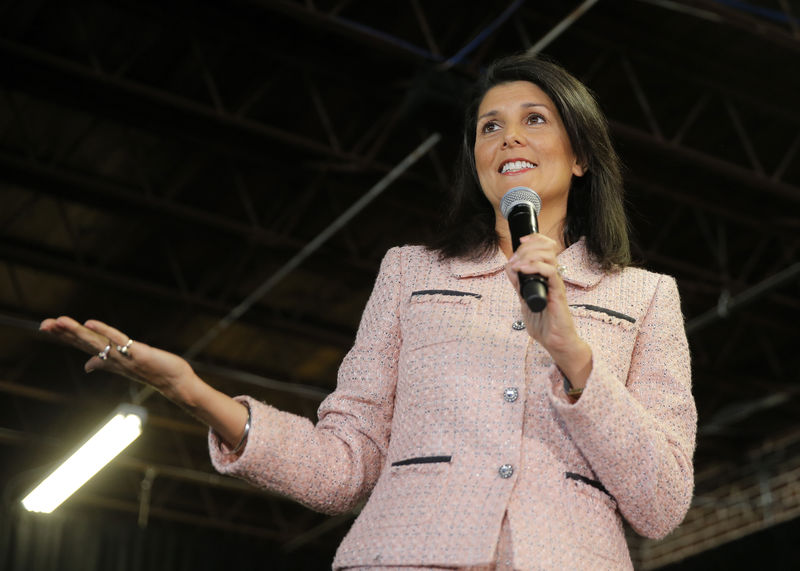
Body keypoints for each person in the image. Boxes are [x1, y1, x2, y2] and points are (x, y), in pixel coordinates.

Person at [40, 53, 697, 570]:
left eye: (534, 118)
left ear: (581, 155)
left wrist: (572, 355)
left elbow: (662, 501)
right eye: (488, 126)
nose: (506, 137)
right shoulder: (411, 273)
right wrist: (193, 391)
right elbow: (345, 466)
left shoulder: (645, 297)